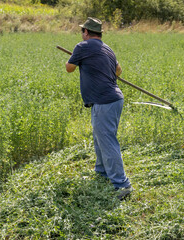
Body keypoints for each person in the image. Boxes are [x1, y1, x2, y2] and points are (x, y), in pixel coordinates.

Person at [65, 17, 133, 200]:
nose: (81, 34)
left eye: (82, 31)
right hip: (111, 100)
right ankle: (102, 172)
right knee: (100, 138)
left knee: (107, 141)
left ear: (86, 32)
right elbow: (118, 71)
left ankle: (122, 185)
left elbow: (69, 68)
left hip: (105, 101)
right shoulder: (107, 48)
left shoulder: (82, 47)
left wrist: (80, 59)